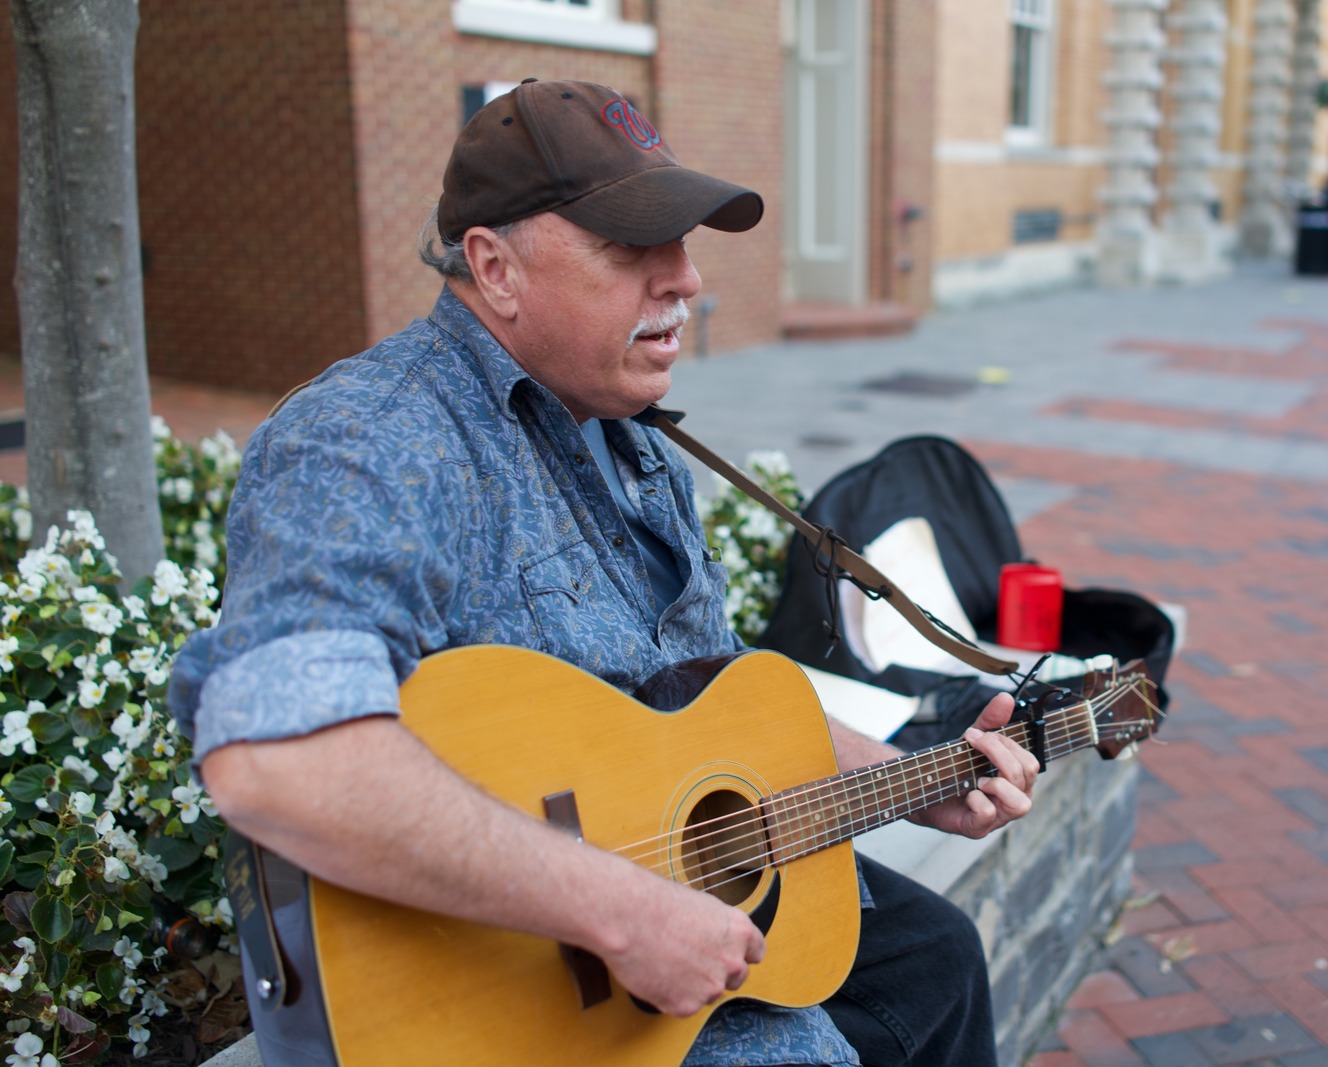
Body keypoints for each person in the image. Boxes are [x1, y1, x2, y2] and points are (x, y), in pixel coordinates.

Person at [169, 78, 1039, 1067]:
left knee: (936, 961)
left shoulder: (635, 440)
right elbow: (281, 759)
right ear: (494, 267)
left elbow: (710, 710)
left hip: (667, 908)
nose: (684, 279)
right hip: (510, 987)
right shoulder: (371, 442)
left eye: (682, 242)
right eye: (631, 248)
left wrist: (911, 780)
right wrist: (619, 910)